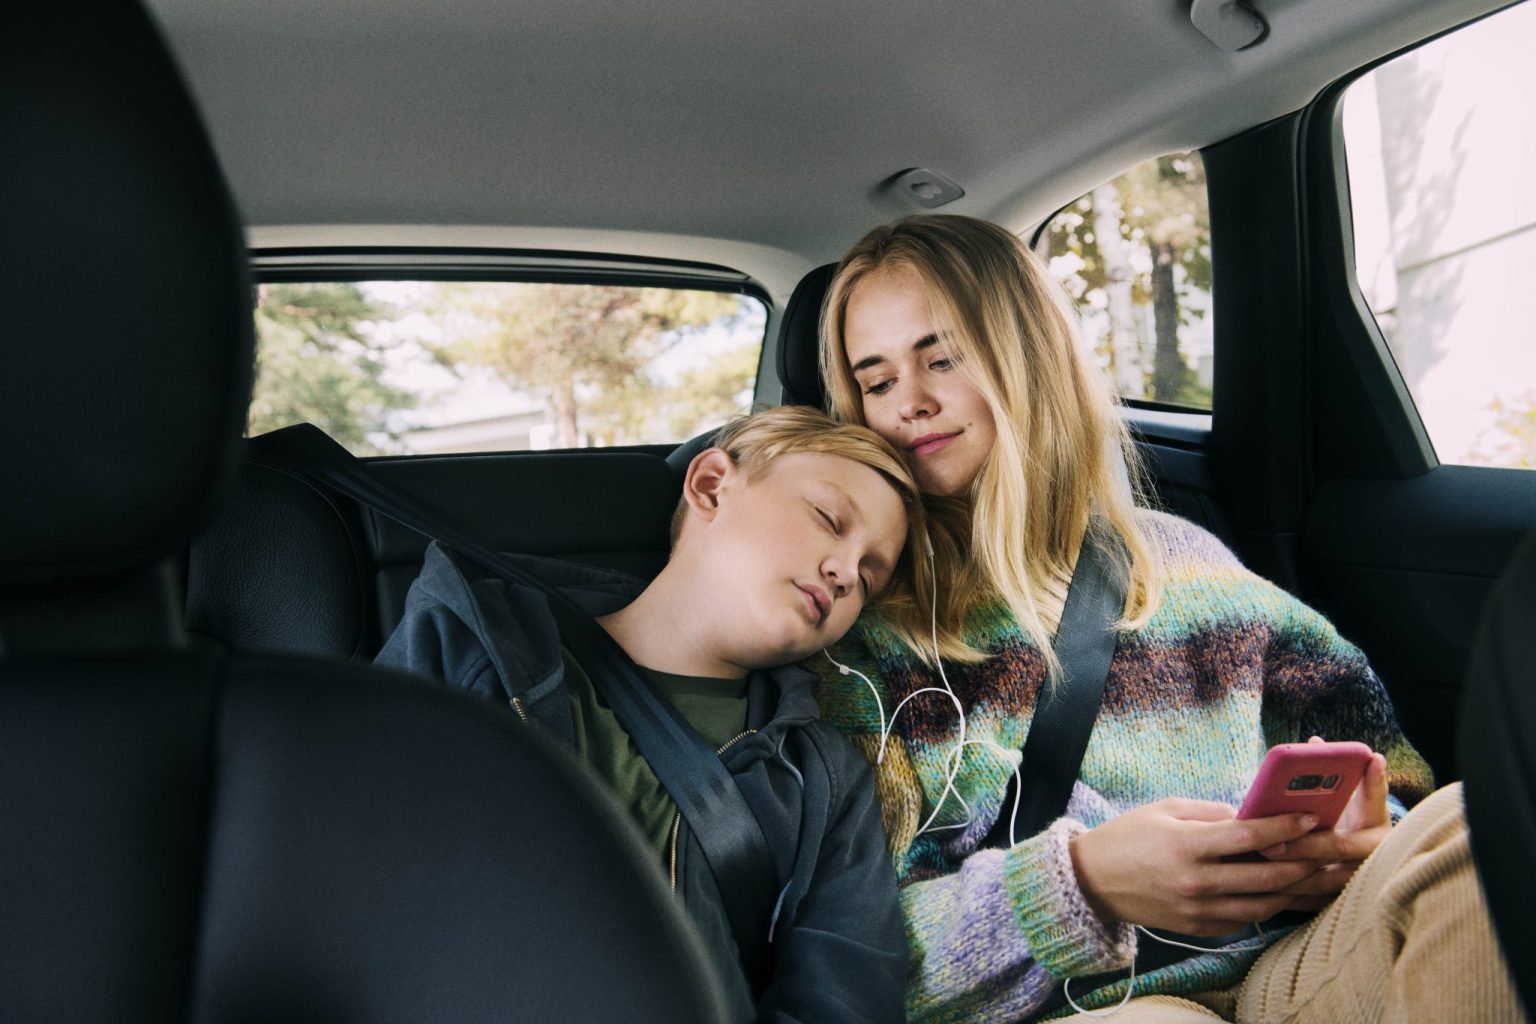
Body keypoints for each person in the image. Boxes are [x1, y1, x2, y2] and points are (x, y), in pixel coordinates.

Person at [814, 213, 1524, 1023]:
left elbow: (1388, 778)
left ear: (1029, 357)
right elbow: (854, 966)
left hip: (1283, 967)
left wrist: (1357, 844)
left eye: (941, 357)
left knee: (1472, 834)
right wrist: (1082, 884)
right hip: (1083, 1007)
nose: (910, 402)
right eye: (876, 382)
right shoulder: (865, 640)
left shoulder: (1183, 562)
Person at [375, 405, 915, 1024]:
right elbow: (353, 875)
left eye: (869, 578)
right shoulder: (473, 641)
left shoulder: (822, 779)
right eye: (828, 519)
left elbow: (846, 1001)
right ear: (712, 485)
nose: (846, 572)